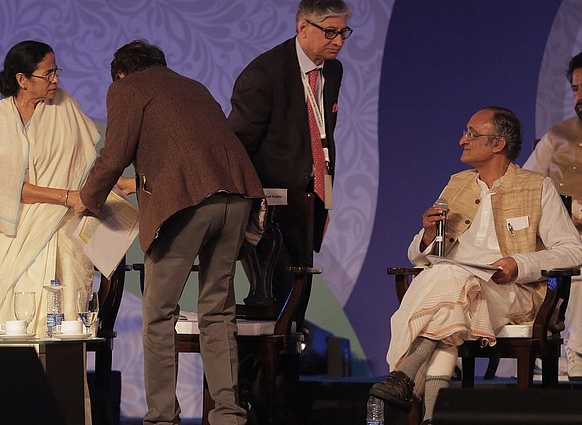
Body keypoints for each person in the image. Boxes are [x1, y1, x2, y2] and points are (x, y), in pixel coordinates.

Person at [73, 40, 265, 425]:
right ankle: (228, 415)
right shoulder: (192, 85)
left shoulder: (127, 87)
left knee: (159, 313)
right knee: (219, 312)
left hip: (186, 204)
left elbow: (115, 153)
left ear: (122, 73)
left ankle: (162, 417)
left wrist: (87, 199)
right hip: (238, 196)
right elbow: (189, 147)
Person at [369, 106, 582, 425]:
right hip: (454, 288)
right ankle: (429, 418)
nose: (461, 140)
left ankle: (404, 375)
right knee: (448, 300)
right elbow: (417, 254)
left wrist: (519, 263)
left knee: (445, 279)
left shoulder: (537, 187)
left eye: (471, 133)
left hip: (510, 290)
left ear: (497, 143)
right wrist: (427, 236)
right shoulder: (456, 185)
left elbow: (572, 251)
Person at [0, 40, 101, 337]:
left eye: (56, 71)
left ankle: (65, 382)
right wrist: (65, 196)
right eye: (47, 74)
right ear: (22, 80)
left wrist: (125, 184)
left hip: (64, 229)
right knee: (21, 326)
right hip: (17, 233)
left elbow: (85, 168)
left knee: (69, 324)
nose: (56, 80)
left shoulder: (65, 106)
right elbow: (6, 188)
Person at [227, 0, 352, 306]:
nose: (338, 41)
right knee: (274, 298)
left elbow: (323, 141)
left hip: (309, 200)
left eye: (343, 32)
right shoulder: (264, 74)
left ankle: (290, 353)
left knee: (299, 295)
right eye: (330, 32)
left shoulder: (332, 71)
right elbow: (237, 146)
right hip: (267, 206)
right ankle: (260, 355)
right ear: (303, 28)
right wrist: (247, 207)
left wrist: (327, 202)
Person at [523, 51, 582, 380]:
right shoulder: (558, 136)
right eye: (575, 89)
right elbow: (526, 188)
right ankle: (573, 364)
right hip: (563, 243)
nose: (579, 97)